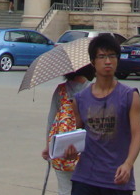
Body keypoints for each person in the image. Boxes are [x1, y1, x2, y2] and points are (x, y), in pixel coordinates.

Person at [66, 33, 140, 194]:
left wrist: (128, 164)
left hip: (117, 178)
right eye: (101, 56)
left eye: (112, 56)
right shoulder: (80, 99)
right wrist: (70, 152)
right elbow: (77, 136)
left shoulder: (129, 96)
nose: (107, 61)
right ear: (93, 62)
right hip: (85, 178)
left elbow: (137, 136)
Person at [41, 66, 93, 195]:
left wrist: (49, 147)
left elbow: (51, 120)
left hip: (60, 148)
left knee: (64, 189)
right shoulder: (92, 90)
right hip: (85, 150)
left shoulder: (61, 90)